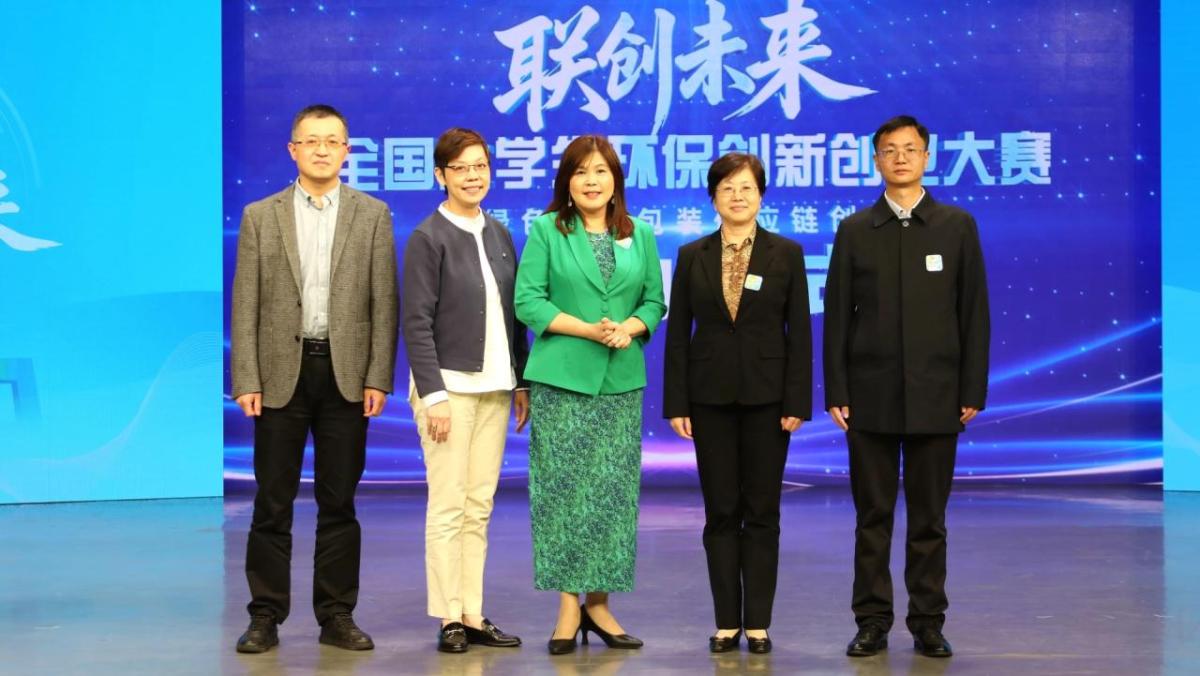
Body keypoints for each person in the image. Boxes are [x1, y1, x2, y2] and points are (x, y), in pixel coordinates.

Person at [230, 104, 398, 653]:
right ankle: (265, 615)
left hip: (346, 375)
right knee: (271, 502)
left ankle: (336, 614)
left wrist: (378, 376)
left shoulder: (373, 214)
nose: (322, 149)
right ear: (293, 149)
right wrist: (246, 376)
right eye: (311, 140)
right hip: (280, 374)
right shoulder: (261, 215)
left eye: (332, 141)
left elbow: (384, 303)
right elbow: (246, 303)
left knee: (339, 502)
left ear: (347, 150)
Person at [823, 115, 990, 659]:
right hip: (869, 397)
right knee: (872, 518)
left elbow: (974, 313)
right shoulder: (855, 229)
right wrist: (837, 390)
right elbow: (837, 318)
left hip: (937, 394)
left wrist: (972, 388)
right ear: (875, 160)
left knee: (928, 520)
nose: (900, 158)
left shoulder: (955, 225)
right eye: (890, 150)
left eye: (910, 149)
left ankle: (927, 622)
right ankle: (871, 621)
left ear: (926, 157)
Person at [514, 134, 667, 655]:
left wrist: (630, 327)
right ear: (567, 182)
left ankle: (599, 606)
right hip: (561, 380)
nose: (591, 181)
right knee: (561, 493)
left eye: (601, 171)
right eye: (581, 172)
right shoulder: (547, 231)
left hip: (620, 382)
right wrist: (586, 329)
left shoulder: (639, 233)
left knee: (611, 496)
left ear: (615, 180)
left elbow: (654, 302)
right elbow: (527, 301)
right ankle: (566, 607)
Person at [663, 153, 811, 655]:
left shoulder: (785, 253)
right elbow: (678, 335)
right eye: (727, 188)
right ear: (713, 198)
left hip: (770, 399)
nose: (737, 196)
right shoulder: (692, 255)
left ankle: (759, 623)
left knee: (763, 511)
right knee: (721, 510)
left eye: (746, 187)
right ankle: (727, 621)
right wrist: (677, 401)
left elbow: (800, 333)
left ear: (761, 195)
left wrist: (797, 399)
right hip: (709, 398)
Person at [402, 127, 529, 653]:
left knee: (479, 506)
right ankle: (448, 616)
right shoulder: (428, 237)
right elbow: (415, 322)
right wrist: (433, 396)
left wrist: (520, 380)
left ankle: (473, 613)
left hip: (496, 388)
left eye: (480, 166)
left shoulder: (499, 233)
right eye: (461, 168)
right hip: (448, 391)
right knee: (448, 505)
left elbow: (514, 317)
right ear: (441, 175)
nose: (473, 176)